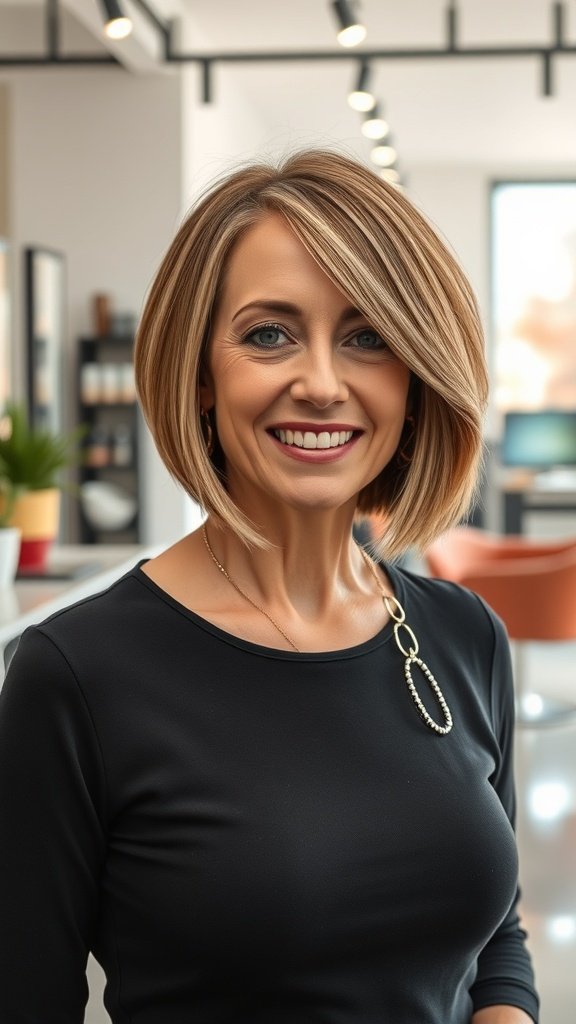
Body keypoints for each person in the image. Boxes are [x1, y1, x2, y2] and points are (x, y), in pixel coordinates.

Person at [0, 150, 539, 1024]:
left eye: (368, 337)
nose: (322, 383)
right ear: (203, 378)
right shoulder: (79, 674)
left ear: (413, 378)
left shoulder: (462, 634)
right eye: (268, 334)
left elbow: (495, 937)